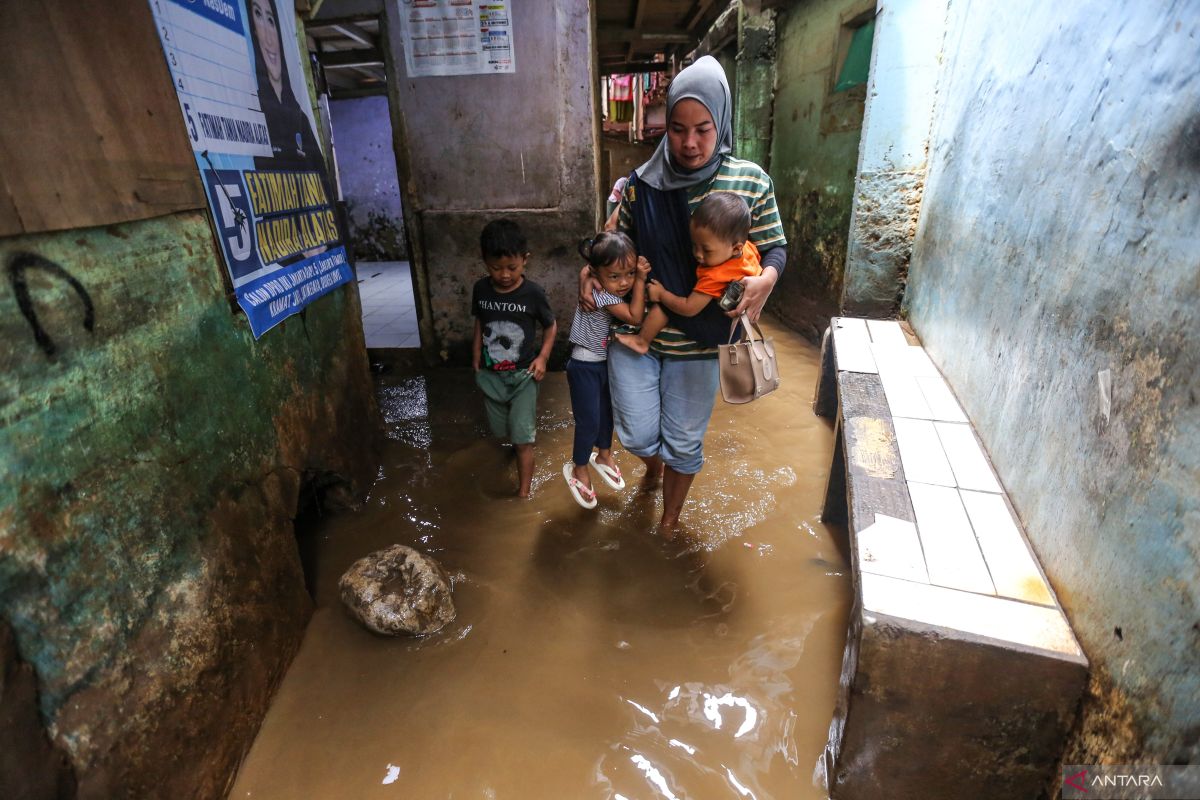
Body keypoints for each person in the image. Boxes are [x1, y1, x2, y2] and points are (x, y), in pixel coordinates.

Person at [582, 55, 788, 532]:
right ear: (665, 125)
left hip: (701, 341)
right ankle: (652, 466)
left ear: (722, 122)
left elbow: (775, 245)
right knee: (635, 433)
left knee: (685, 442)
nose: (690, 142)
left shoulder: (751, 181)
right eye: (677, 128)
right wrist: (588, 274)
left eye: (703, 128)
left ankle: (669, 522)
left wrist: (767, 279)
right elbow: (615, 251)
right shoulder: (640, 186)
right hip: (639, 327)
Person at [562, 232, 651, 509]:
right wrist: (640, 280)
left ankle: (603, 455)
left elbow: (589, 269)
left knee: (606, 414)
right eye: (615, 276)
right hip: (584, 365)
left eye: (628, 273)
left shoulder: (600, 283)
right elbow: (636, 317)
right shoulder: (600, 294)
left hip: (601, 363)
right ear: (598, 275)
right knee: (588, 420)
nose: (623, 282)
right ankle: (578, 467)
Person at [615, 192, 760, 355]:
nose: (698, 254)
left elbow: (689, 308)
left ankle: (642, 341)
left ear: (735, 248)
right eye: (694, 245)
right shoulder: (748, 250)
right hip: (735, 326)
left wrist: (661, 294)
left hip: (712, 326)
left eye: (706, 250)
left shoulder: (715, 276)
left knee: (664, 308)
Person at [472, 220, 557, 498]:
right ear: (485, 262)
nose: (505, 275)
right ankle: (518, 446)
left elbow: (551, 325)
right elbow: (479, 322)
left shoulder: (532, 294)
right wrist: (475, 355)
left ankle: (523, 495)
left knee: (522, 441)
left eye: (512, 267)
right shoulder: (481, 290)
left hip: (524, 378)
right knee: (502, 432)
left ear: (525, 260)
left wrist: (543, 357)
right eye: (496, 268)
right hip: (491, 374)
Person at [249, 0, 325, 172]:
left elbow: (323, 186)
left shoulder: (300, 119)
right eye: (258, 15)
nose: (268, 38)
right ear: (253, 30)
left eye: (271, 20)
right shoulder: (253, 112)